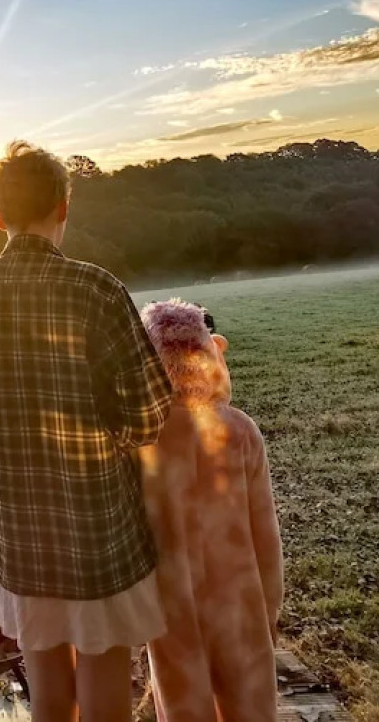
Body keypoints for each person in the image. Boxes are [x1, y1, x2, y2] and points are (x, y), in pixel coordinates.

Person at [0, 141, 175, 722]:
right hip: (98, 534)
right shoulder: (97, 289)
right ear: (64, 207)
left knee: (46, 684)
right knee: (105, 686)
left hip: (16, 537)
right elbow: (149, 416)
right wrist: (109, 438)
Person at [139, 299, 283, 722]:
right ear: (212, 351)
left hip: (170, 606)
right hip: (240, 602)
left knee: (183, 706)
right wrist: (270, 604)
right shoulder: (240, 432)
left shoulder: (143, 438)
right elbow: (265, 531)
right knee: (250, 703)